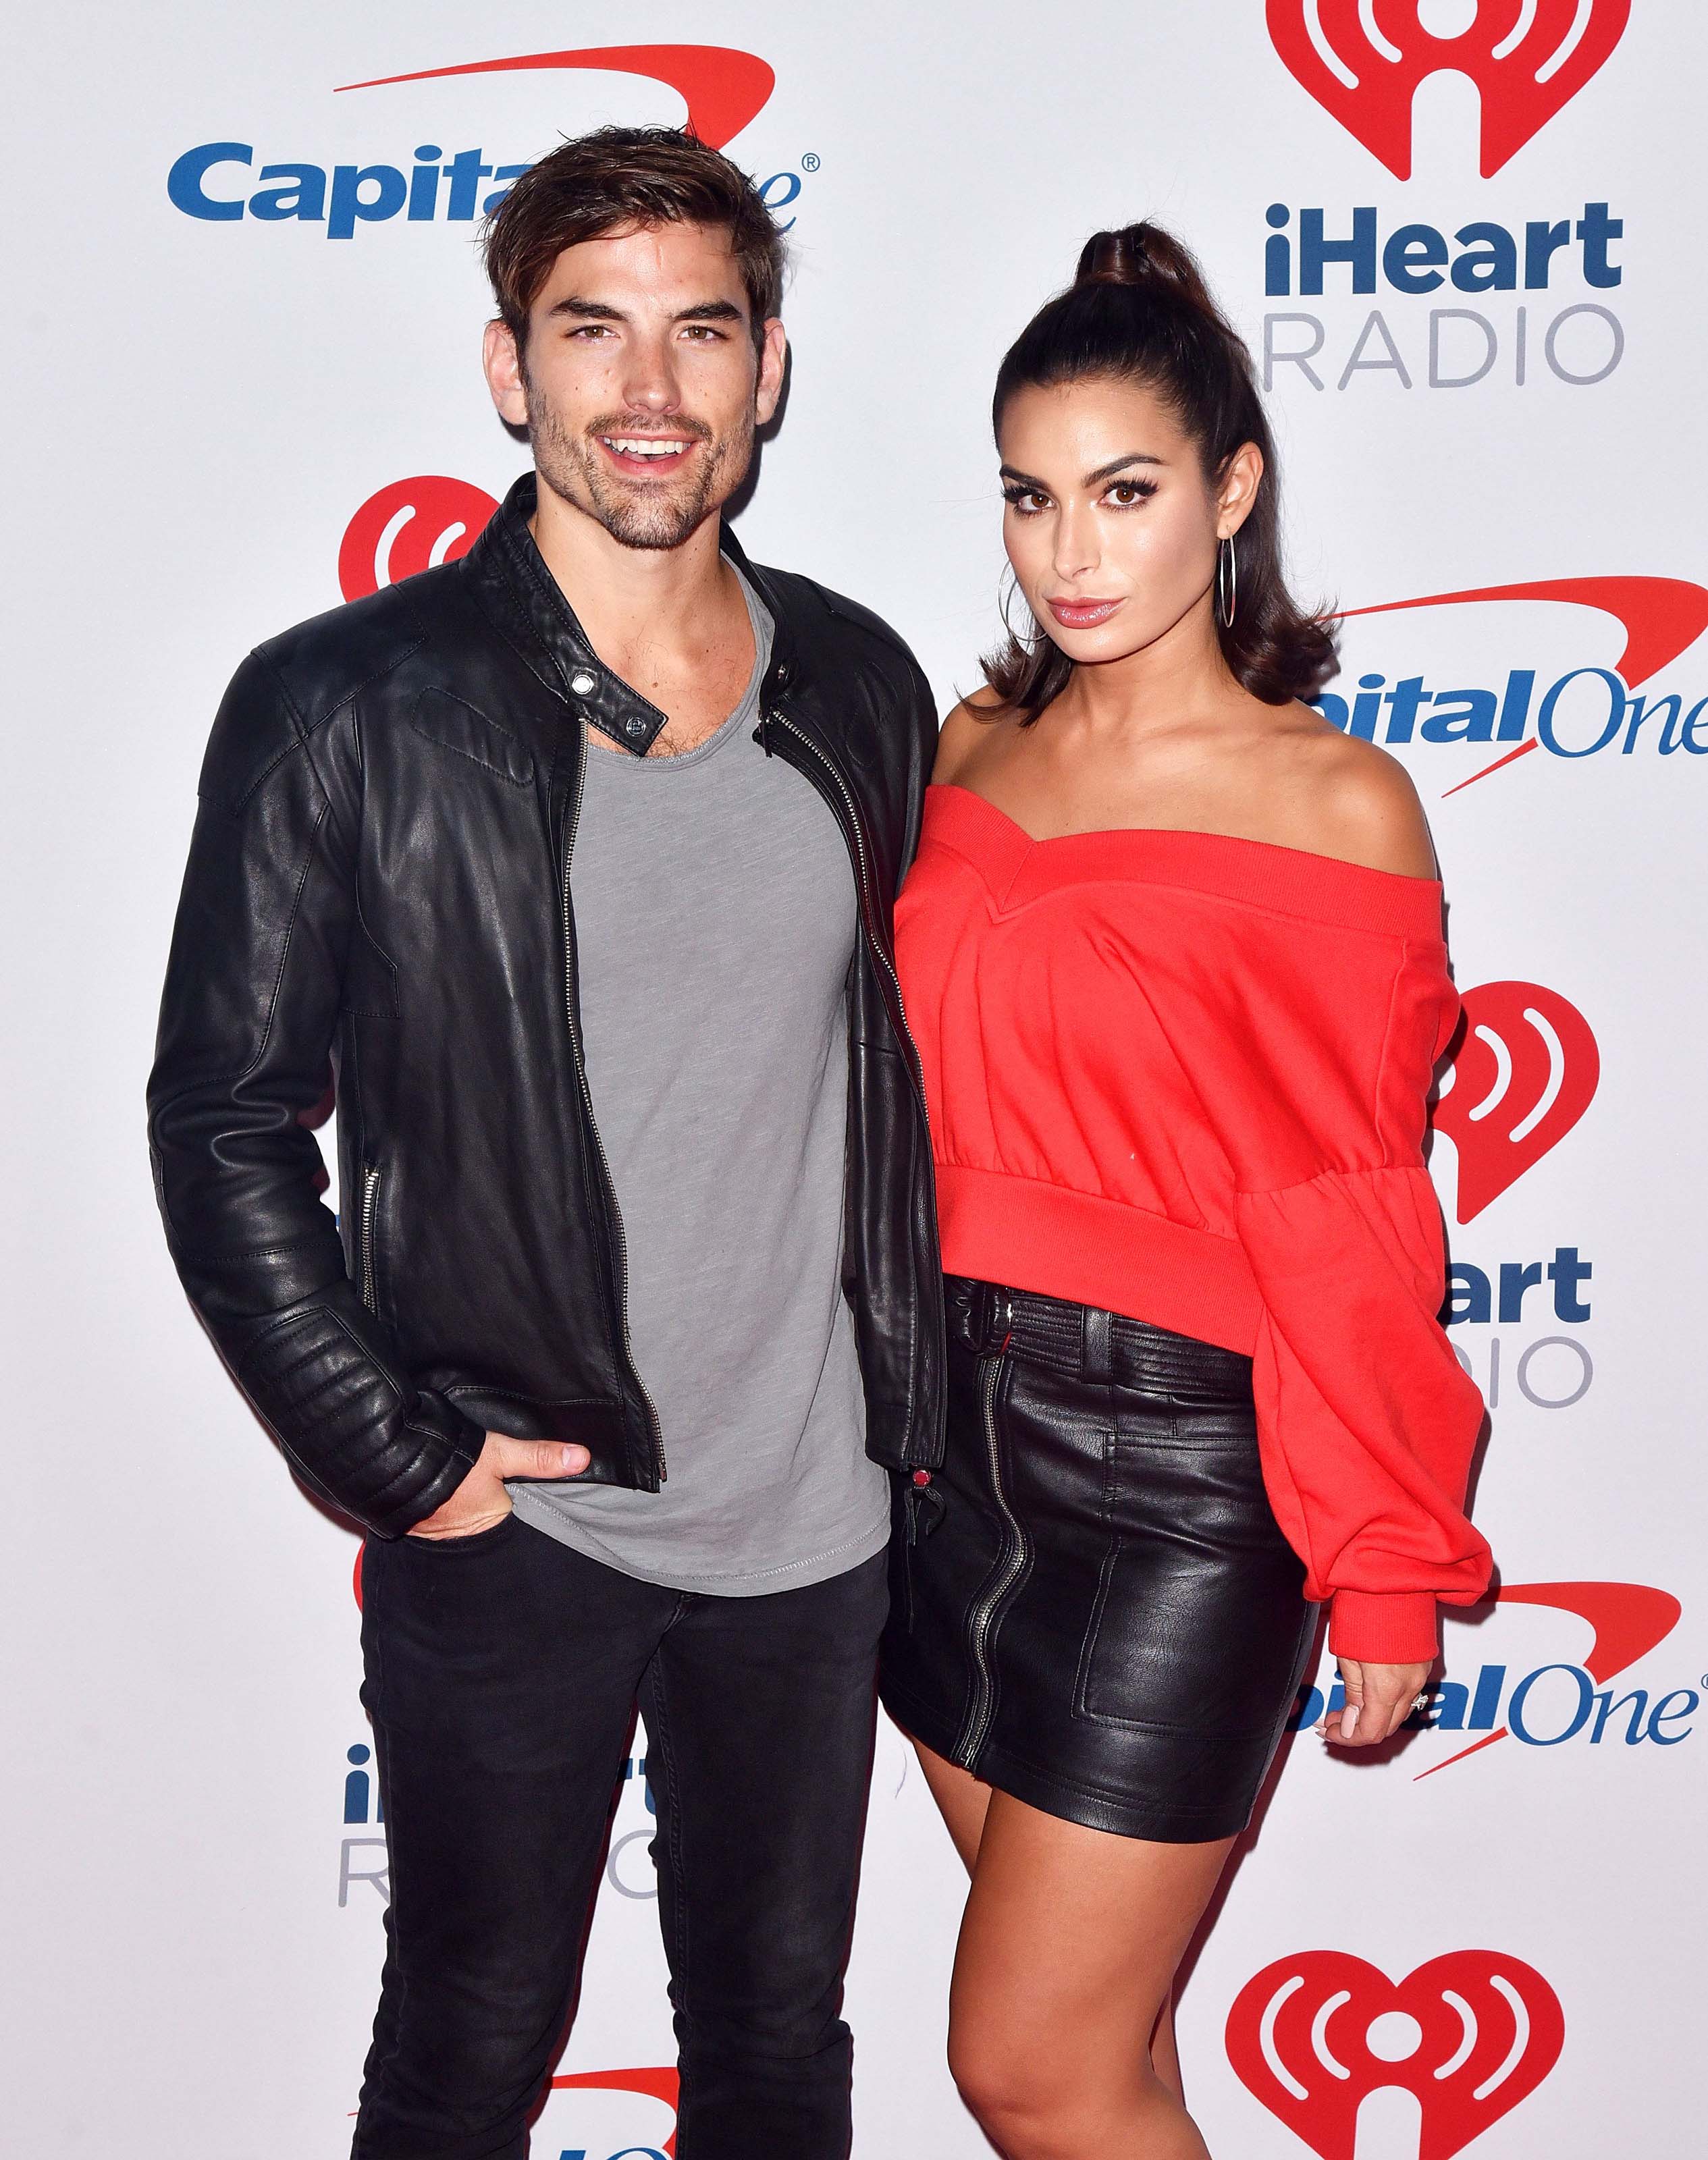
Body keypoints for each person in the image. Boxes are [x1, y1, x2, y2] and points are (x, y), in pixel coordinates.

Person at [146, 126, 943, 2160]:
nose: (650, 389)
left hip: (810, 1523)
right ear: (511, 367)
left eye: (703, 332)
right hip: (519, 1521)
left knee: (779, 2053)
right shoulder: (345, 702)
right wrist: (400, 1460)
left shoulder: (861, 684)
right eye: (593, 330)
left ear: (770, 368)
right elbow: (223, 1118)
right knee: (469, 2050)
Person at [878, 223, 1493, 2159]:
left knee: (1031, 2070)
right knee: (1112, 2065)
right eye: (1031, 496)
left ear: (1229, 493)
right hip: (932, 1454)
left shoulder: (1336, 803)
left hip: (1176, 1488)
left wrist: (1383, 1553)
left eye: (1125, 493)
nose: (1069, 550)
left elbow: (1353, 1216)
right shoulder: (968, 747)